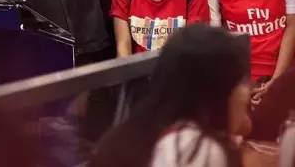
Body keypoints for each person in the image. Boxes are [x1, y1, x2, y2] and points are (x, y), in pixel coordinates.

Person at [93, 26, 251, 167]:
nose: (248, 91)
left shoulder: (132, 133)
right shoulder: (194, 150)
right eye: (240, 82)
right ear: (215, 91)